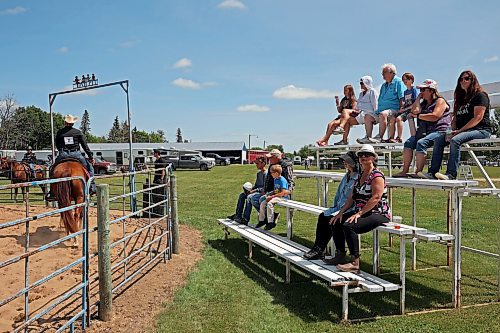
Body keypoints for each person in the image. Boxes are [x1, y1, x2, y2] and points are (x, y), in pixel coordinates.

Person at [331, 144, 391, 272]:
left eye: (367, 155)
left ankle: (355, 262)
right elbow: (351, 197)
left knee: (348, 225)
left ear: (373, 158)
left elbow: (376, 197)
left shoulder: (377, 175)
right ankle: (340, 255)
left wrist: (359, 213)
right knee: (335, 221)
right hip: (362, 211)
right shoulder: (359, 176)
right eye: (360, 155)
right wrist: (340, 212)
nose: (363, 157)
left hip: (379, 212)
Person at [429, 71, 492, 180]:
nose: (463, 81)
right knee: (439, 140)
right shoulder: (461, 98)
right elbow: (455, 118)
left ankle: (451, 174)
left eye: (467, 78)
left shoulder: (480, 95)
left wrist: (459, 132)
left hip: (481, 130)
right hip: (463, 131)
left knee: (455, 140)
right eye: (461, 79)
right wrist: (452, 131)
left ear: (473, 80)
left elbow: (478, 117)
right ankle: (432, 173)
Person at [303, 151, 360, 261]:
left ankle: (333, 252)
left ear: (353, 163)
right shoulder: (347, 175)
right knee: (322, 216)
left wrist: (340, 211)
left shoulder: (358, 177)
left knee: (331, 219)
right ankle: (318, 248)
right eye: (344, 161)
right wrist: (335, 207)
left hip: (350, 209)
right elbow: (339, 193)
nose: (345, 163)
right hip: (339, 207)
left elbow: (352, 199)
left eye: (347, 161)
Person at [393, 79, 451, 178]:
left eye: (424, 90)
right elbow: (414, 111)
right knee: (408, 143)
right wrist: (418, 99)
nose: (421, 92)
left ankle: (418, 172)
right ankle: (404, 171)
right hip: (425, 132)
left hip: (440, 131)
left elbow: (435, 116)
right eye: (420, 90)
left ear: (432, 90)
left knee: (421, 143)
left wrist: (419, 116)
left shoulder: (440, 101)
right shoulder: (423, 103)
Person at [46, 114, 96, 200]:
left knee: (52, 169)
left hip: (63, 154)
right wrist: (91, 157)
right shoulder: (77, 132)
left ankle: (52, 192)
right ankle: (92, 187)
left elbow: (57, 145)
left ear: (65, 122)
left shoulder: (60, 132)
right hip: (76, 154)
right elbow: (84, 146)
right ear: (73, 123)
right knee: (90, 168)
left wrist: (63, 151)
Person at [361, 64, 405, 143]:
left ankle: (379, 137)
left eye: (384, 72)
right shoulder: (383, 85)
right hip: (381, 111)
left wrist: (401, 109)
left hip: (393, 110)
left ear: (392, 73)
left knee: (383, 114)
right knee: (367, 116)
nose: (382, 74)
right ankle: (368, 138)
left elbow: (402, 97)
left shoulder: (398, 82)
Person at [255, 149, 294, 228]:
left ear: (276, 158)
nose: (268, 160)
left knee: (265, 201)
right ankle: (262, 220)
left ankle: (270, 221)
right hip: (274, 192)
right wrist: (267, 192)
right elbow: (271, 184)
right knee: (262, 201)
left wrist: (271, 196)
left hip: (282, 195)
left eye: (270, 158)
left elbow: (288, 185)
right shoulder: (273, 168)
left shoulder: (285, 167)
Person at [227, 156, 267, 225]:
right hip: (257, 192)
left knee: (249, 197)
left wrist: (253, 191)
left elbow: (265, 188)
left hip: (263, 193)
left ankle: (245, 219)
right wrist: (249, 190)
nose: (256, 165)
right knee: (242, 195)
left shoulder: (266, 174)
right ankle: (238, 215)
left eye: (257, 163)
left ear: (263, 163)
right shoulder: (259, 173)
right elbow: (257, 185)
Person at [257, 164, 290, 230]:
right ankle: (262, 220)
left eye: (272, 173)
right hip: (276, 196)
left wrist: (271, 197)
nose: (271, 174)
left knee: (269, 203)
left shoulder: (282, 180)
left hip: (282, 197)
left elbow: (283, 193)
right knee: (263, 203)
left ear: (276, 173)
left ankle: (271, 222)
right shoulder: (275, 179)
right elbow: (276, 190)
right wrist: (269, 195)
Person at [395, 72, 418, 139]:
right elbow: (405, 102)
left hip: (411, 110)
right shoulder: (405, 92)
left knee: (399, 119)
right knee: (393, 117)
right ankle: (393, 137)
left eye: (406, 79)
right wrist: (402, 108)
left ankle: (399, 137)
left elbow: (415, 103)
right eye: (403, 80)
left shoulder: (414, 89)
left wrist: (405, 109)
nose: (405, 81)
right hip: (406, 109)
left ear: (411, 80)